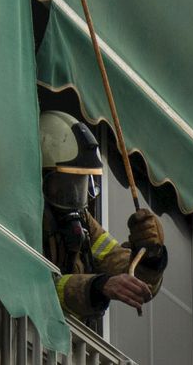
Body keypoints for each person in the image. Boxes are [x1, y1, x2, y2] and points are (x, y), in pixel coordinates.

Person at [38, 110, 167, 323]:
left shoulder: (83, 221)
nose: (74, 195)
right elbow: (35, 287)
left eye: (79, 184)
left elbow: (130, 273)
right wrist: (98, 286)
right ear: (41, 176)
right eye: (66, 184)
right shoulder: (24, 216)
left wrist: (150, 255)